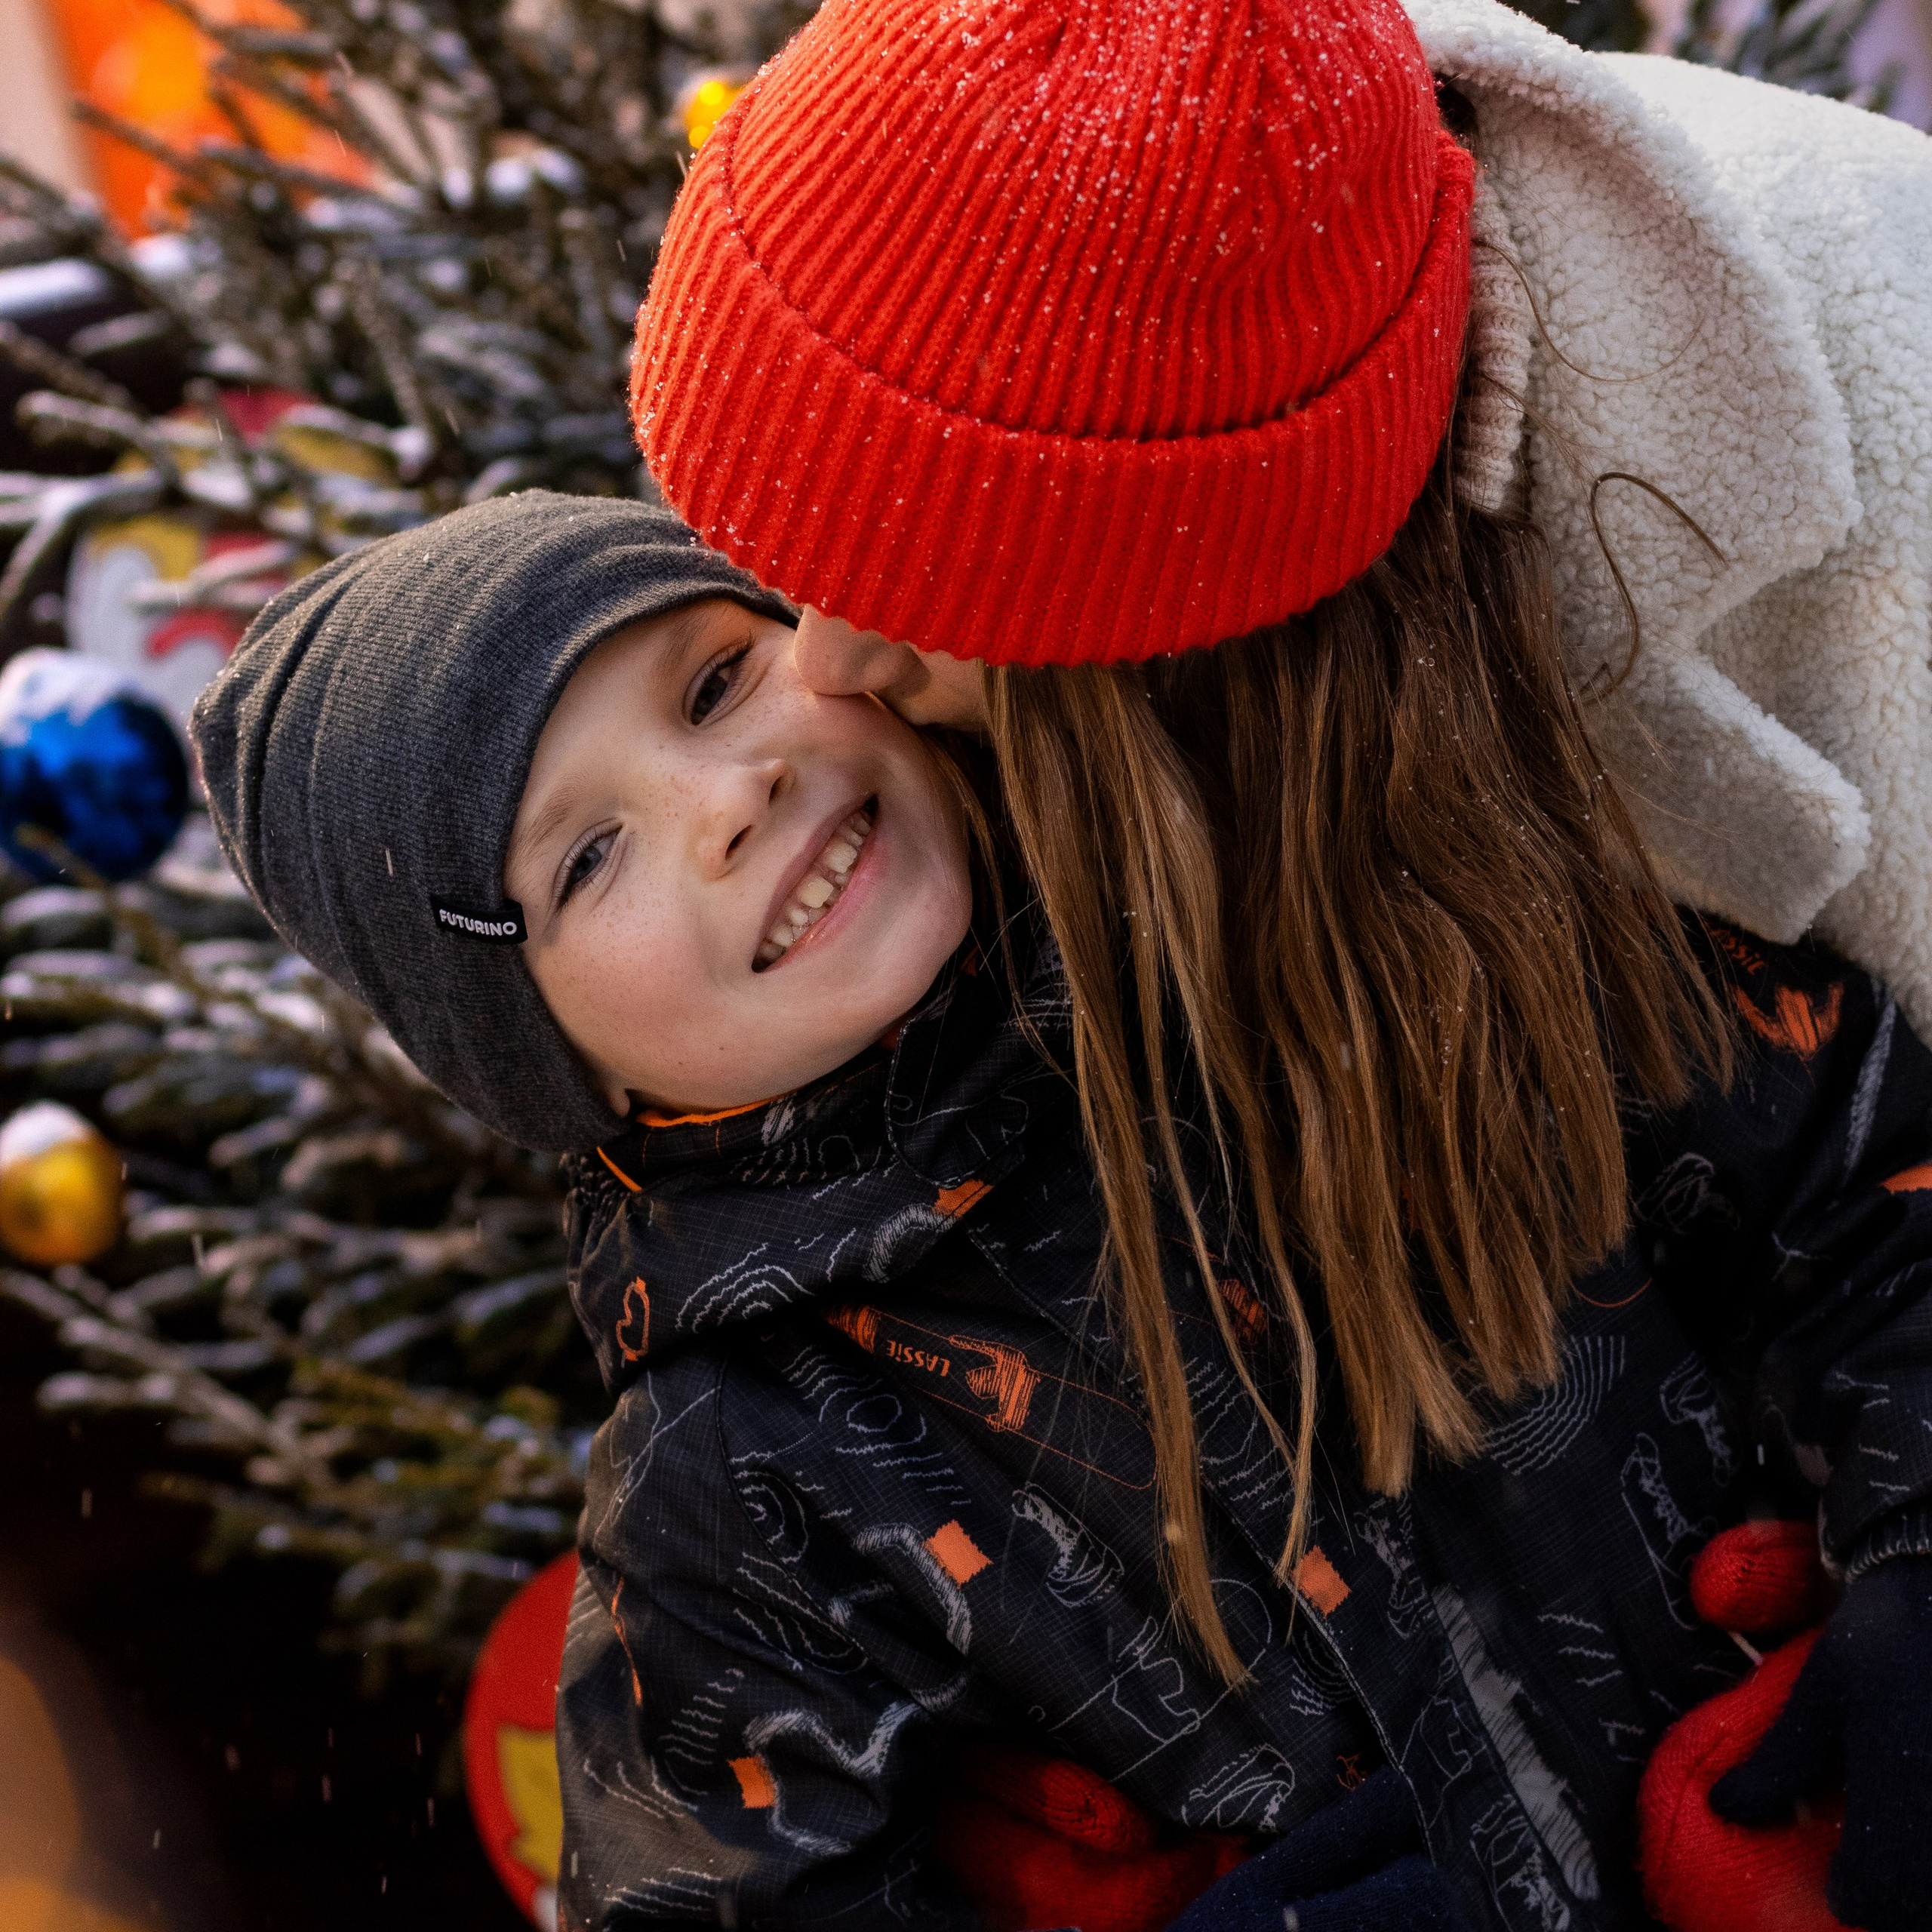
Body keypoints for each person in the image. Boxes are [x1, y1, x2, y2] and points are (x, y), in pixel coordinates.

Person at [608, 0, 1932, 1927]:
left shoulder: (1853, 492)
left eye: (904, 579)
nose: (822, 672)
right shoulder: (758, 1431)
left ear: (1177, 617)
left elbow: (1850, 1179)